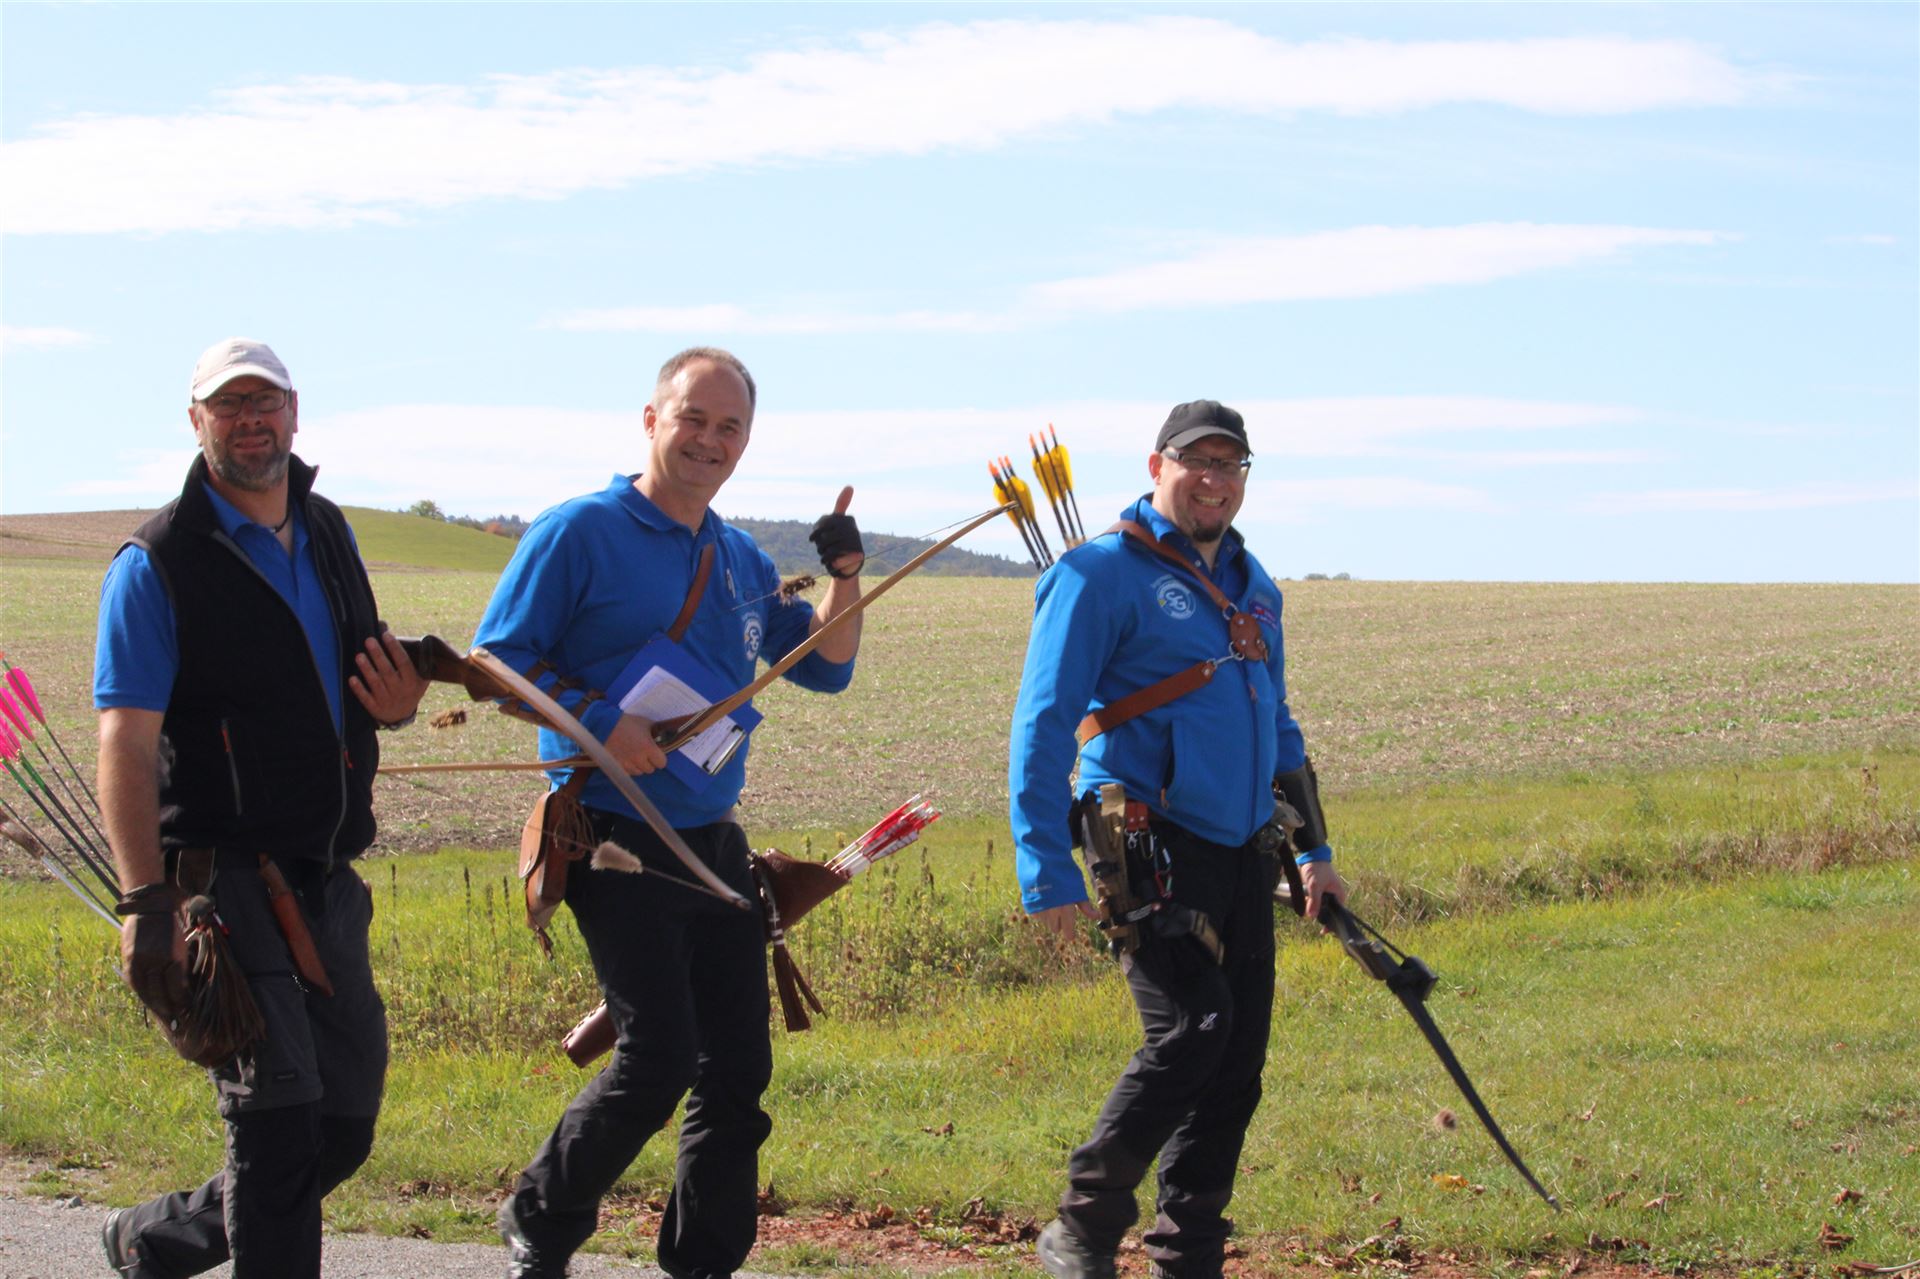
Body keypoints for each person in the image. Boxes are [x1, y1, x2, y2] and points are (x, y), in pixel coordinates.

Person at [477, 346, 866, 1279]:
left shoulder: (739, 557)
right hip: (610, 830)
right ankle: (541, 1214)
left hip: (713, 841)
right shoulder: (578, 532)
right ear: (651, 420)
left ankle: (703, 1264)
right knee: (658, 1055)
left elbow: (827, 666)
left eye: (730, 426)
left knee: (737, 1068)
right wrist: (602, 720)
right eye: (694, 417)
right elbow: (495, 660)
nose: (709, 439)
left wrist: (847, 574)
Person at [94, 337, 429, 1278]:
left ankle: (152, 1240)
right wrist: (145, 901)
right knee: (277, 1126)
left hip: (327, 877)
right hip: (224, 882)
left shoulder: (327, 530)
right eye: (228, 405)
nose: (250, 420)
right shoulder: (157, 562)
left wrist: (399, 704)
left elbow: (372, 679)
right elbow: (125, 743)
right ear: (195, 421)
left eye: (265, 401)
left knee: (342, 1124)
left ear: (294, 412)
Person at [1008, 400, 1348, 1279]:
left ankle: (1188, 1258)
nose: (1214, 479)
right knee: (1196, 1026)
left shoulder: (1255, 585)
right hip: (1145, 840)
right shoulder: (1096, 574)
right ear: (1157, 465)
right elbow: (1043, 723)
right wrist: (1044, 865)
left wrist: (1314, 850)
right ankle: (1082, 1224)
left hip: (1244, 847)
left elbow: (1279, 726)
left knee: (1235, 1064)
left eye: (1231, 464)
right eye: (1198, 460)